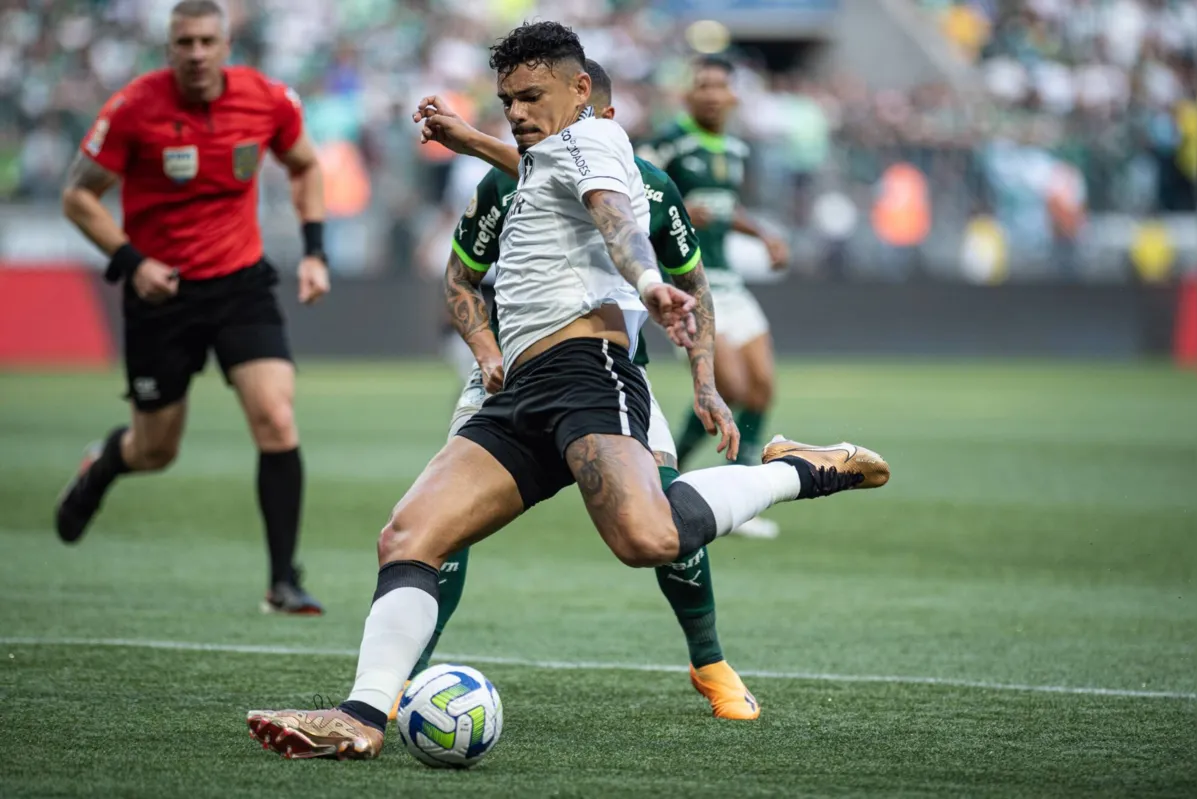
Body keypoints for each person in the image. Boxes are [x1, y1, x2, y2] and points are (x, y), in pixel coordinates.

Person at [247, 22, 888, 760]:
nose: (516, 111)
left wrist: (648, 282)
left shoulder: (595, 142)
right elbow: (525, 183)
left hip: (588, 369)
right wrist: (469, 141)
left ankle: (801, 469)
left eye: (531, 96)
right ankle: (361, 713)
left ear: (580, 91)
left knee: (646, 538)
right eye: (506, 99)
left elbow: (617, 219)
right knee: (409, 535)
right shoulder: (537, 157)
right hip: (519, 388)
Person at [399, 59, 761, 721]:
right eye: (515, 102)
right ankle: (401, 677)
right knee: (435, 525)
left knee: (661, 518)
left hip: (609, 371)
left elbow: (694, 286)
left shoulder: (649, 190)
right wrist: (484, 352)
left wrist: (704, 386)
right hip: (510, 372)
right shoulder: (500, 184)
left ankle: (708, 660)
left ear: (609, 124)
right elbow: (458, 280)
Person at [54, 0, 329, 614]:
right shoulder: (133, 109)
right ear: (169, 47)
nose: (198, 53)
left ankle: (283, 580)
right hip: (161, 294)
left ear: (226, 44)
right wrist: (133, 264)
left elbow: (306, 166)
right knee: (156, 450)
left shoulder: (267, 99)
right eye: (186, 43)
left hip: (240, 286)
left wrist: (314, 253)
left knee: (277, 419)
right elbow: (78, 197)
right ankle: (102, 466)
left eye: (208, 40)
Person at [642, 56, 791, 539]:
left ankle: (742, 494)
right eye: (701, 85)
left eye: (718, 86)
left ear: (732, 97)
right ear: (687, 95)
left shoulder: (735, 147)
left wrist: (763, 234)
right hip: (691, 285)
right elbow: (631, 192)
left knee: (762, 388)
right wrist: (680, 212)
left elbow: (727, 209)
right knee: (730, 387)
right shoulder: (668, 141)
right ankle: (665, 483)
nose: (710, 94)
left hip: (731, 281)